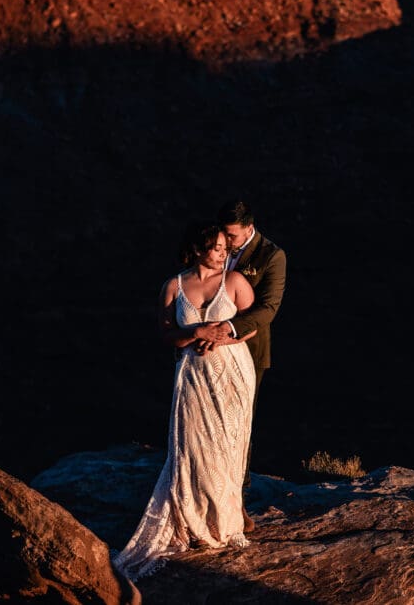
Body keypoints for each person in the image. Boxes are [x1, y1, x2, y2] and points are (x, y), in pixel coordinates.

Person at [113, 220, 258, 581]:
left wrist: (221, 337)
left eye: (227, 247)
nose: (224, 252)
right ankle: (194, 519)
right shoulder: (173, 286)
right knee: (194, 445)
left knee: (228, 443)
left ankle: (226, 521)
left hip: (232, 371)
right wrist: (196, 331)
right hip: (193, 372)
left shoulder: (235, 282)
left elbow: (254, 324)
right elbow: (167, 337)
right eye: (217, 247)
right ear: (198, 248)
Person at [196, 199, 286, 532]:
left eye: (232, 236)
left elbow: (268, 308)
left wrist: (228, 330)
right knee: (206, 424)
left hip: (247, 350)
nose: (226, 242)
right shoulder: (213, 245)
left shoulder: (272, 256)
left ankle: (237, 503)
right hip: (207, 351)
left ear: (249, 228)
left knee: (237, 428)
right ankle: (204, 498)